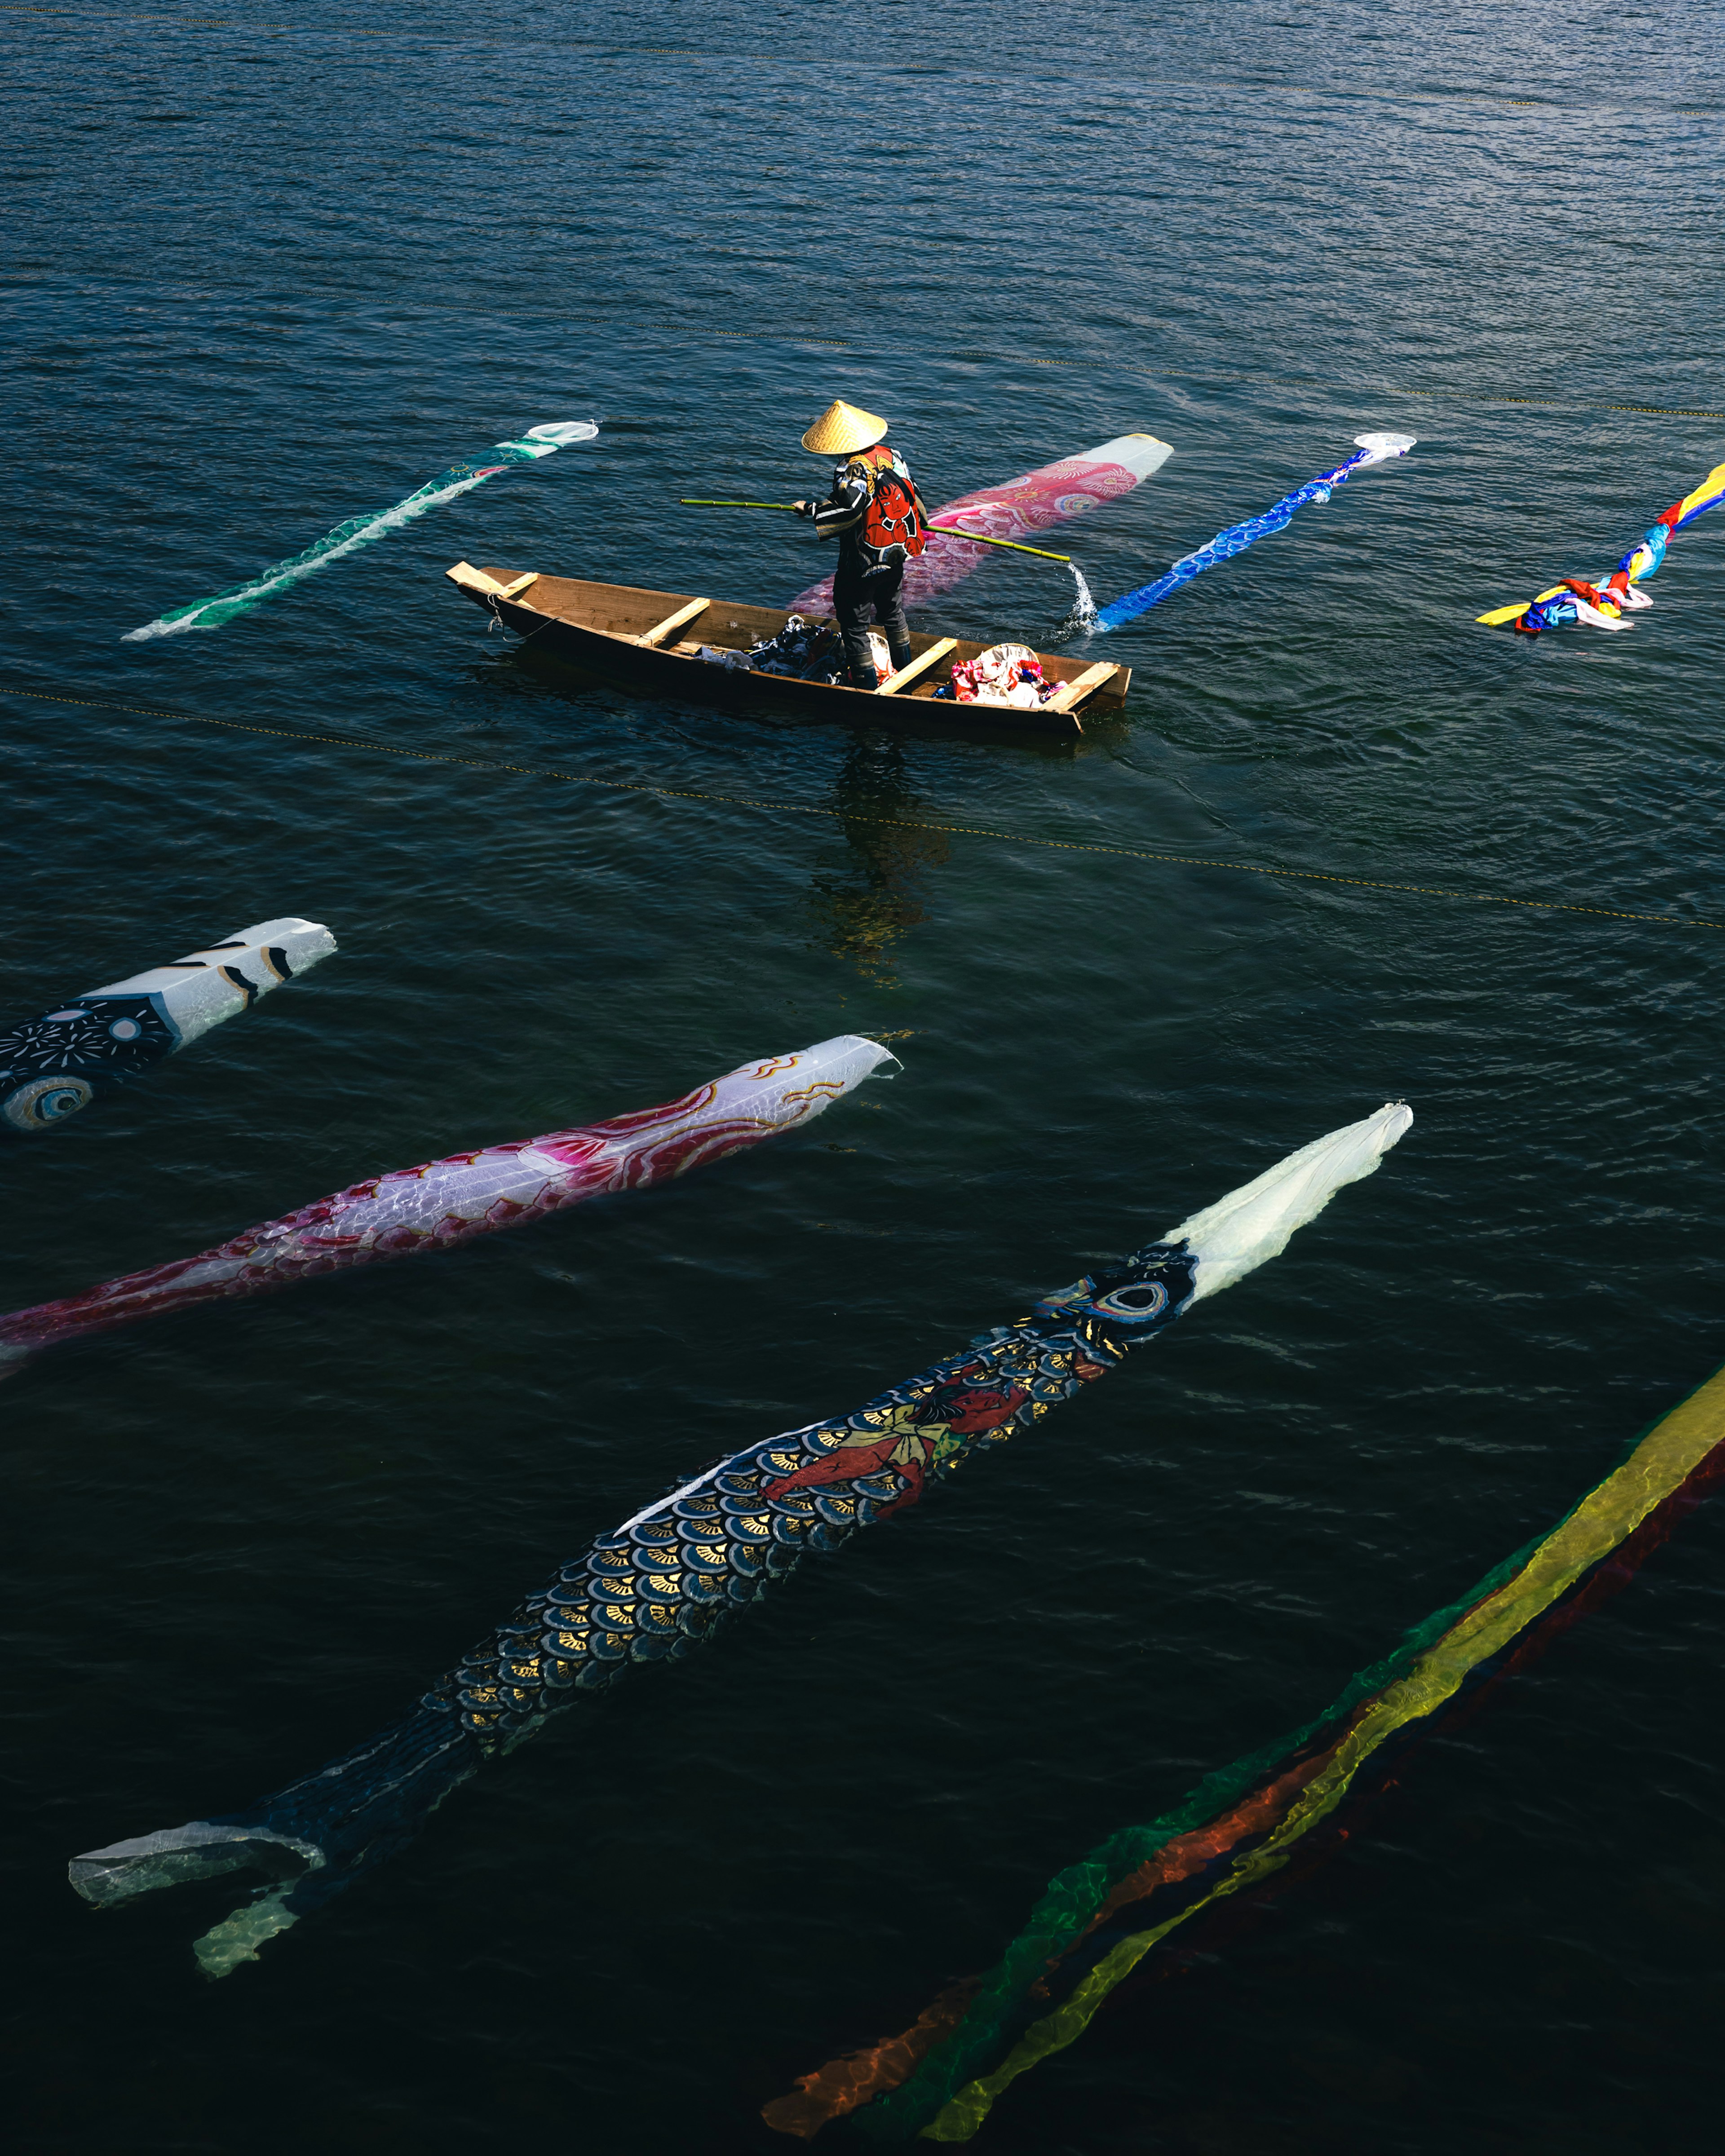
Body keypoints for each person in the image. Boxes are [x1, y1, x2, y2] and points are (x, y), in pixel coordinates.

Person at [793, 400, 931, 689]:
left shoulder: (851, 469)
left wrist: (811, 509)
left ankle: (867, 687)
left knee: (853, 623)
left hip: (864, 559)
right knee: (892, 610)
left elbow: (851, 509)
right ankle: (906, 676)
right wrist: (922, 525)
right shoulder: (893, 456)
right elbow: (914, 495)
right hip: (896, 552)